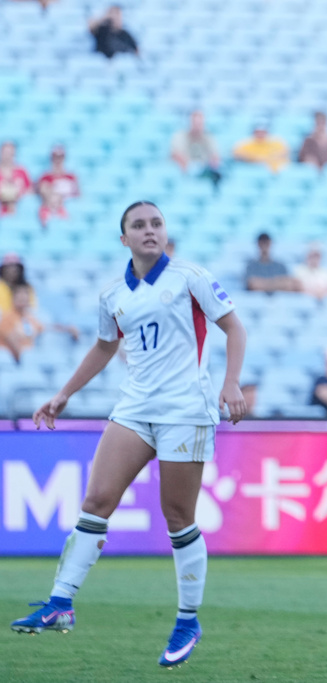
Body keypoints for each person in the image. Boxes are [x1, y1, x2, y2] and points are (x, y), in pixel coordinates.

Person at [9, 201, 247, 670]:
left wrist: (232, 381)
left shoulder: (189, 277)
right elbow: (104, 346)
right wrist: (64, 394)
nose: (150, 231)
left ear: (165, 230)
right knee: (97, 500)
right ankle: (60, 604)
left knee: (177, 515)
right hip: (135, 407)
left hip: (185, 409)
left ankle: (187, 620)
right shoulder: (113, 294)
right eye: (139, 226)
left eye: (157, 223)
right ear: (125, 239)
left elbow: (234, 327)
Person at [0, 282, 78, 362]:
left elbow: (47, 327)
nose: (22, 297)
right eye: (19, 295)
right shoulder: (7, 317)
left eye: (25, 294)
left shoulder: (30, 318)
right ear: (12, 298)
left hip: (29, 356)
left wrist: (68, 328)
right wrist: (23, 363)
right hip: (13, 359)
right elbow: (12, 343)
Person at [170, 110, 221, 188]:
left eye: (200, 123)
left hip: (204, 171)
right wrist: (189, 169)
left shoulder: (209, 137)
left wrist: (208, 167)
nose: (197, 126)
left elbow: (215, 157)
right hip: (184, 171)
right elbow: (176, 155)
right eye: (195, 123)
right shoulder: (180, 136)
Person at [36, 145, 79, 226]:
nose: (58, 160)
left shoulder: (71, 177)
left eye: (60, 157)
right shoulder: (46, 177)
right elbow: (43, 195)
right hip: (54, 209)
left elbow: (78, 195)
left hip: (69, 209)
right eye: (55, 157)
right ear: (51, 158)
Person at [0, 142, 32, 216]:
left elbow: (30, 190)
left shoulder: (22, 171)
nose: (7, 156)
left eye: (10, 153)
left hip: (19, 207)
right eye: (5, 153)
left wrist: (17, 194)